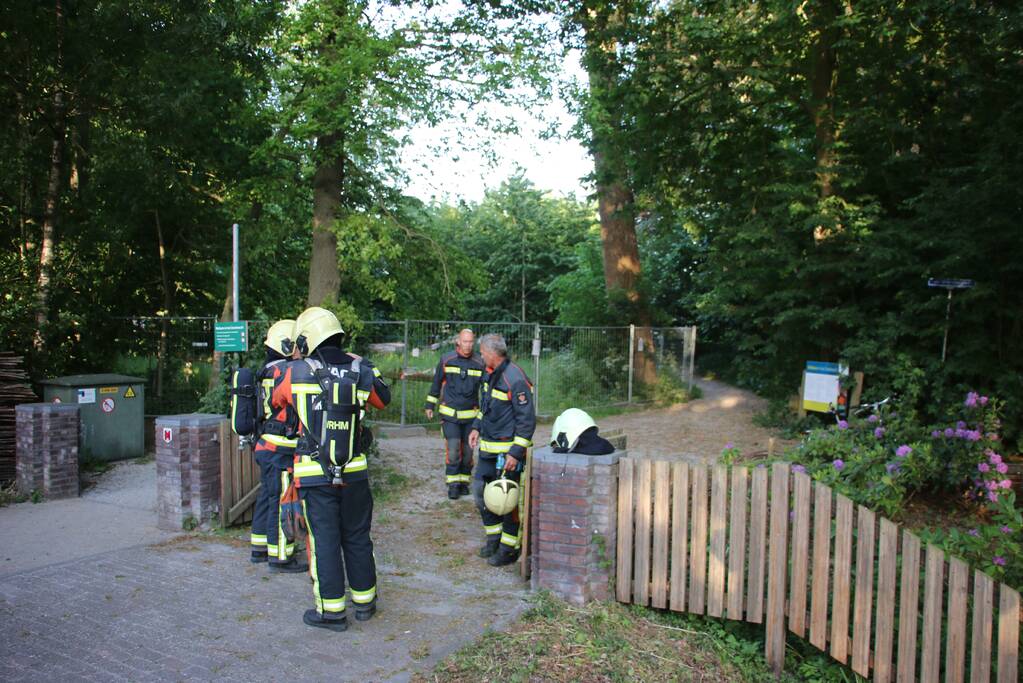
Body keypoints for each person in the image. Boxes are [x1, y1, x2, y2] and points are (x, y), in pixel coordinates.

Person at [272, 306, 391, 631]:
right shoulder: (360, 369)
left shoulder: (294, 372)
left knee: (324, 539)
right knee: (357, 536)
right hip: (354, 471)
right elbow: (384, 397)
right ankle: (365, 603)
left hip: (313, 473)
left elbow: (277, 403)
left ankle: (332, 612)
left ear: (308, 339)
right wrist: (362, 364)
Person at [468, 333, 535, 567]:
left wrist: (515, 454)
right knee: (480, 494)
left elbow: (527, 421)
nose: (481, 355)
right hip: (487, 451)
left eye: (483, 352)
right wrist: (476, 427)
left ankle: (509, 549)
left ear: (492, 353)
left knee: (507, 503)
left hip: (507, 456)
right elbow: (485, 407)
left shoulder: (514, 378)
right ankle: (493, 539)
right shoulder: (490, 374)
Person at [251, 319, 307, 573]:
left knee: (267, 496)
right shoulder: (285, 372)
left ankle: (259, 547)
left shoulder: (266, 370)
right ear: (286, 345)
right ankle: (280, 557)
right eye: (296, 346)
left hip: (266, 444)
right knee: (282, 500)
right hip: (281, 448)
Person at [424, 329, 485, 499]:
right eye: (465, 341)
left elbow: (486, 390)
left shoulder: (479, 362)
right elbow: (436, 383)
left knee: (467, 453)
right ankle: (452, 484)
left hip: (471, 417)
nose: (468, 345)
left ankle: (464, 481)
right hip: (450, 416)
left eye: (471, 342)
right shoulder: (447, 360)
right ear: (458, 342)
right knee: (452, 450)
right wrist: (430, 404)